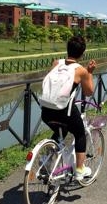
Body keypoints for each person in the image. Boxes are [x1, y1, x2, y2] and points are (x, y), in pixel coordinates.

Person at [41, 35, 96, 181]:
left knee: (61, 132)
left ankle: (45, 159)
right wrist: (90, 72)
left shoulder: (56, 63)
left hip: (46, 111)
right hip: (64, 112)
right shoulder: (80, 70)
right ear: (82, 53)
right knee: (79, 134)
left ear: (67, 49)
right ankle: (79, 170)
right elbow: (89, 92)